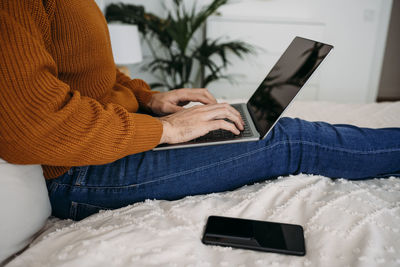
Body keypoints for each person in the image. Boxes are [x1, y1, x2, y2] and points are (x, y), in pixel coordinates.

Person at [0, 0, 399, 221]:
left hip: (112, 134)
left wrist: (150, 99)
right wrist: (168, 131)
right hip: (79, 170)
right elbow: (29, 129)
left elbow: (97, 76)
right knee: (287, 138)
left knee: (250, 123)